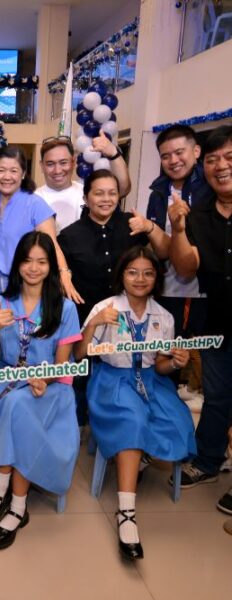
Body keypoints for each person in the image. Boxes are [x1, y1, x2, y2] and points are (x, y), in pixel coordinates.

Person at [75, 246, 196, 560]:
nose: (140, 279)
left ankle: (138, 455)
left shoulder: (164, 317)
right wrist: (94, 324)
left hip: (150, 380)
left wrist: (175, 362)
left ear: (157, 278)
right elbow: (79, 356)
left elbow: (159, 366)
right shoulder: (105, 307)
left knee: (180, 419)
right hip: (112, 379)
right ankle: (126, 512)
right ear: (121, 275)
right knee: (133, 419)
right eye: (132, 272)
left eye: (148, 272)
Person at [0, 231, 81, 550]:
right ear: (17, 265)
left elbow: (62, 368)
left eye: (42, 262)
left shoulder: (65, 309)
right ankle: (18, 505)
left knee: (18, 404)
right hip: (6, 381)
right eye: (27, 261)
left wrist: (44, 378)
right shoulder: (2, 303)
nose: (34, 268)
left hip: (50, 390)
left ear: (51, 267)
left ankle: (1, 490)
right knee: (14, 401)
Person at [58, 169, 169, 425]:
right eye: (98, 193)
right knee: (85, 379)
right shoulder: (70, 235)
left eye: (112, 193)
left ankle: (129, 422)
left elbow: (163, 253)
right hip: (88, 318)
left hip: (132, 318)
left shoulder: (133, 225)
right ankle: (83, 426)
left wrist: (150, 227)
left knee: (128, 372)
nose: (106, 199)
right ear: (86, 197)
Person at [168, 125, 232, 515]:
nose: (220, 166)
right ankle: (209, 462)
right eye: (212, 160)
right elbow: (186, 267)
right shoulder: (200, 215)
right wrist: (177, 228)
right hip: (219, 323)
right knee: (217, 397)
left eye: (228, 158)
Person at [147, 125, 214, 401]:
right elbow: (161, 250)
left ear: (196, 151)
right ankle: (168, 410)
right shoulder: (158, 192)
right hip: (168, 288)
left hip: (206, 288)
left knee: (208, 356)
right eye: (165, 156)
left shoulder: (211, 187)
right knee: (167, 353)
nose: (173, 160)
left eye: (179, 152)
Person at [0, 145, 81, 324]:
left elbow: (51, 245)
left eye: (14, 170)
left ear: (23, 173)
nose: (7, 177)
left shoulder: (35, 205)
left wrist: (64, 274)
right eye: (1, 170)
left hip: (25, 286)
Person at [35, 134, 131, 234]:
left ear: (73, 162)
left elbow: (123, 190)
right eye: (50, 164)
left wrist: (113, 153)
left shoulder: (88, 193)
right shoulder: (33, 200)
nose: (57, 170)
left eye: (63, 162)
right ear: (42, 166)